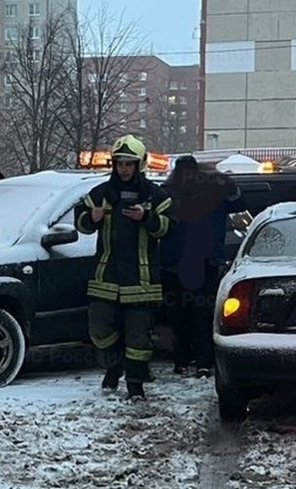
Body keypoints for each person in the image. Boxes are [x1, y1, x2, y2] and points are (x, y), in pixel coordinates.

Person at [74, 134, 173, 401]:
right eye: (120, 163)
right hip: (105, 277)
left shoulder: (155, 195)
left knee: (138, 337)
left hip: (142, 281)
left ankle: (135, 384)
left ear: (139, 164)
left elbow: (168, 227)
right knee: (99, 328)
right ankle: (114, 364)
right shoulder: (99, 195)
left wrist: (147, 218)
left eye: (129, 163)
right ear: (114, 164)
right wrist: (89, 218)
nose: (124, 169)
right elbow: (80, 224)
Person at [159, 155, 243, 377]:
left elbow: (237, 202)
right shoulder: (167, 194)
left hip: (189, 263)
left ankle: (193, 359)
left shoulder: (207, 193)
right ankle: (190, 359)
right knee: (189, 314)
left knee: (192, 314)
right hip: (185, 263)